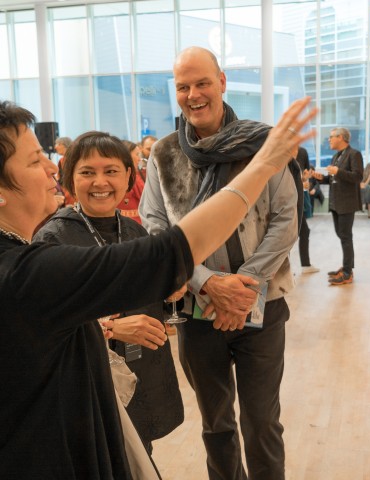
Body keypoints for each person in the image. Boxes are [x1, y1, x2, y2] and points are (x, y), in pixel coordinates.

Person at [0, 97, 316, 478]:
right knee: (218, 423)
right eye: (35, 161)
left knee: (260, 421)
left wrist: (199, 287)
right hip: (55, 449)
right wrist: (262, 165)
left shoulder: (27, 256)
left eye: (112, 171)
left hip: (97, 415)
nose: (52, 166)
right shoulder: (27, 267)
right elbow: (167, 253)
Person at [139, 46, 302, 480]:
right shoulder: (164, 154)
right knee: (216, 425)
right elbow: (155, 225)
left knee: (262, 422)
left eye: (202, 83)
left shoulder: (263, 144)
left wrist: (243, 287)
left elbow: (287, 219)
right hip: (196, 308)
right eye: (182, 87)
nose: (193, 94)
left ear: (222, 82)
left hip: (263, 305)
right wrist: (209, 283)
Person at [34, 131, 185, 457]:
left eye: (111, 171)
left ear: (129, 176)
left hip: (141, 369)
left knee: (140, 454)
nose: (100, 182)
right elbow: (42, 324)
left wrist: (169, 289)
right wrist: (113, 329)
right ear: (68, 177)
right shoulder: (52, 238)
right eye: (87, 172)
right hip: (88, 381)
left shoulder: (134, 230)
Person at [316, 127, 363, 286]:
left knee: (346, 237)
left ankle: (348, 273)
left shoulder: (354, 154)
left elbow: (357, 176)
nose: (329, 139)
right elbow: (332, 178)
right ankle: (346, 267)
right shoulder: (336, 156)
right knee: (342, 235)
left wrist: (338, 171)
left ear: (341, 137)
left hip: (347, 203)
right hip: (336, 203)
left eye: (331, 137)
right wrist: (320, 178)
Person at [296, 147, 319, 274]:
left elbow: (304, 175)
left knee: (304, 231)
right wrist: (301, 182)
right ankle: (283, 269)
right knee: (287, 235)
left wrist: (304, 181)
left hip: (296, 200)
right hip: (284, 201)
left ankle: (305, 265)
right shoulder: (280, 150)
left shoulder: (302, 151)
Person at [117, 140, 146, 224]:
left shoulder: (135, 175)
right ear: (127, 156)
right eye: (137, 154)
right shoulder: (132, 178)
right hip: (132, 224)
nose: (139, 159)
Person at [55, 136, 75, 206]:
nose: (55, 147)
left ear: (65, 145)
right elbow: (59, 178)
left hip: (73, 195)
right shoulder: (61, 160)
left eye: (58, 144)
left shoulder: (74, 159)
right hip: (65, 194)